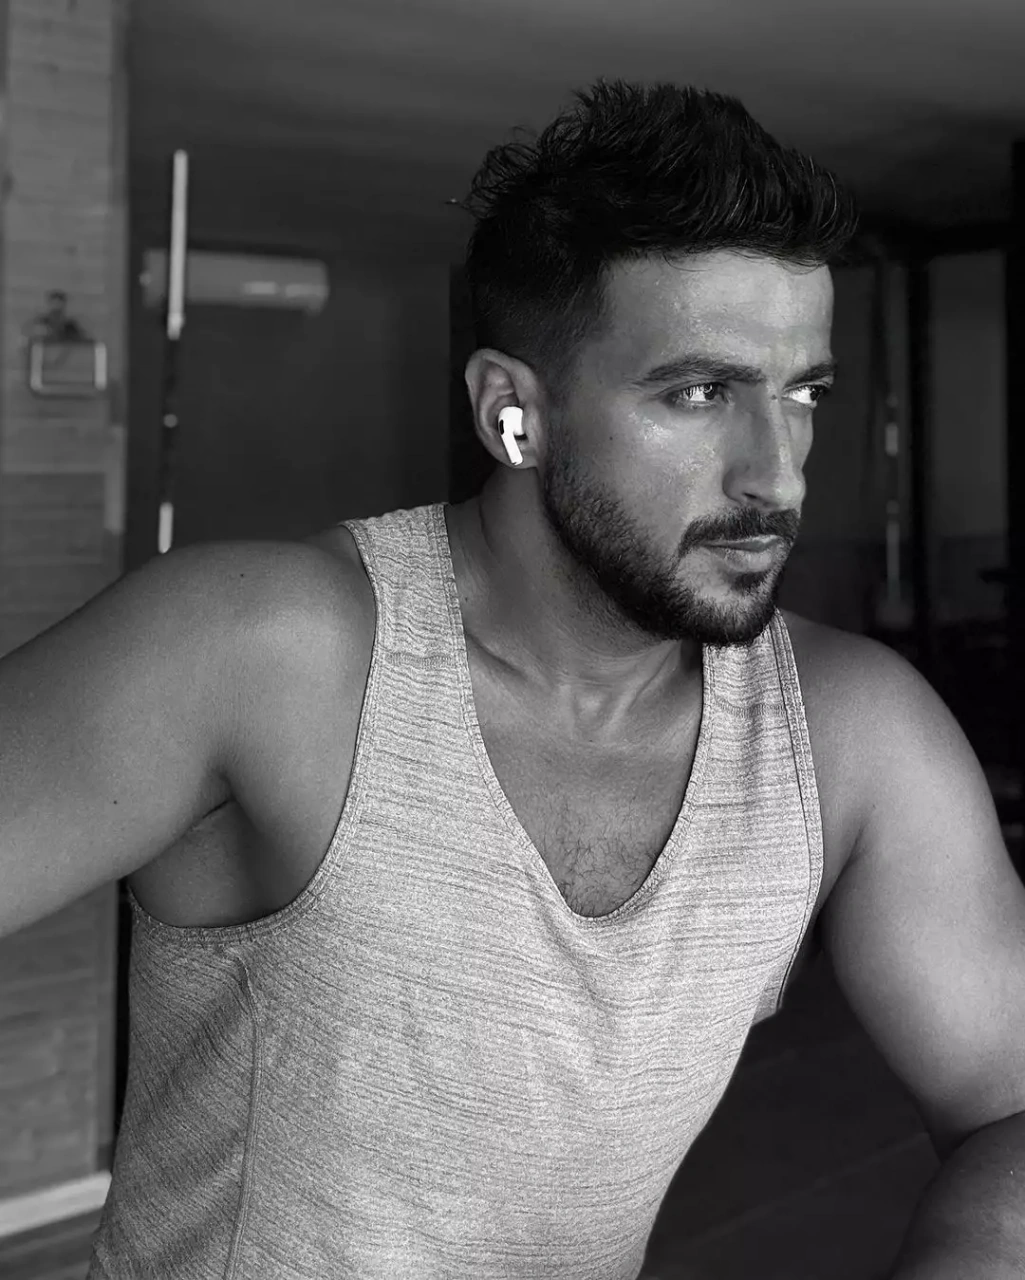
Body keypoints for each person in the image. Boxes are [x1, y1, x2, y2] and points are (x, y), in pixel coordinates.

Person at [2, 78, 1024, 1280]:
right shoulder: (259, 649)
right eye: (698, 392)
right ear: (511, 413)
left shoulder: (852, 735)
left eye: (801, 392)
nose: (777, 474)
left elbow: (1008, 1103)